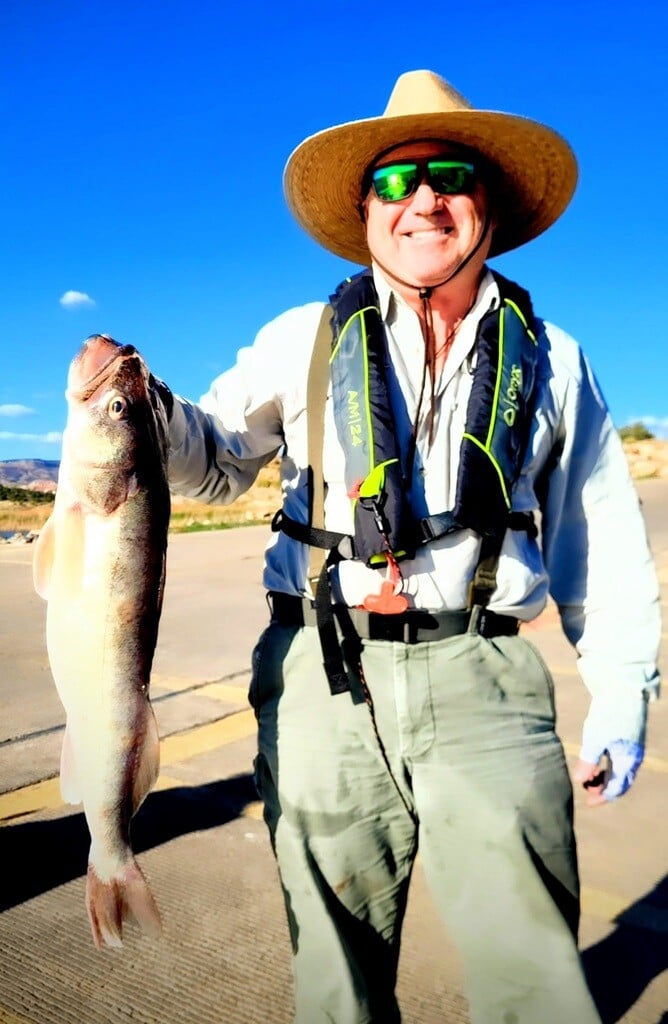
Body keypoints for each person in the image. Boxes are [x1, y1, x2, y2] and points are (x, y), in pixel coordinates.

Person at [161, 70, 661, 1024]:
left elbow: (601, 539)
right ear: (365, 209)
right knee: (336, 984)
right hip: (320, 677)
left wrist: (622, 697)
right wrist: (137, 414)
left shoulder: (553, 358)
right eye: (396, 181)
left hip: (487, 675)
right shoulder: (300, 337)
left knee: (538, 983)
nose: (424, 198)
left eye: (451, 175)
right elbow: (213, 464)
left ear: (490, 204)